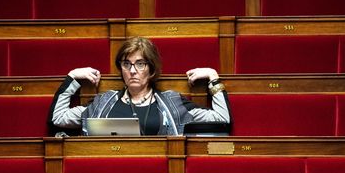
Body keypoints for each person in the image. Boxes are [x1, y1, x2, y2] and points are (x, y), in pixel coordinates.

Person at [49, 36, 231, 136]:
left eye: (140, 64)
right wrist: (72, 78)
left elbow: (222, 119)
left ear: (151, 70)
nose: (133, 70)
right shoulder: (102, 102)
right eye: (126, 64)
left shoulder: (172, 103)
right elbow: (58, 119)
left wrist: (213, 78)